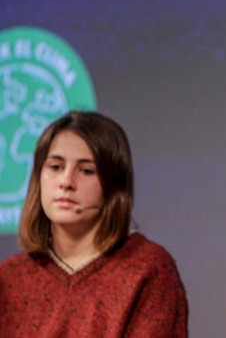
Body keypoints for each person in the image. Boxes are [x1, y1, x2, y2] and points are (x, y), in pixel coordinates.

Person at [0, 111, 188, 337]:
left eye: (86, 171)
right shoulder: (9, 278)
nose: (66, 182)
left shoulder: (147, 270)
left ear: (113, 187)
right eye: (55, 167)